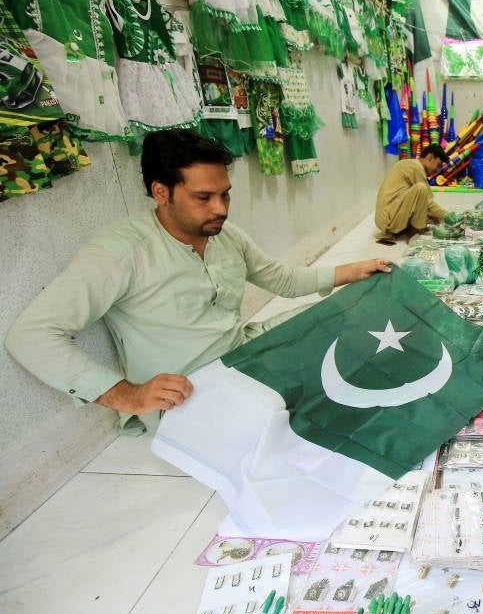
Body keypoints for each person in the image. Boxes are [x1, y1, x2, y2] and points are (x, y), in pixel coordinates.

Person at [5, 129, 391, 424]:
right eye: (204, 197)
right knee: (312, 422)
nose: (220, 208)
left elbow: (284, 280)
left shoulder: (225, 235)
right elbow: (31, 336)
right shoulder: (120, 252)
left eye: (225, 195)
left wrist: (356, 271)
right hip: (191, 393)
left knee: (349, 314)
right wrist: (127, 395)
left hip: (245, 354)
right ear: (161, 192)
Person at [374, 144, 448, 245]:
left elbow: (423, 205)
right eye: (438, 165)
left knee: (431, 216)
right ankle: (415, 233)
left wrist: (439, 216)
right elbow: (428, 202)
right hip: (388, 219)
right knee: (421, 189)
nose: (437, 170)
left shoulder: (410, 164)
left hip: (389, 215)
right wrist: (447, 216)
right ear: (430, 157)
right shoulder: (416, 168)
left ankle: (405, 228)